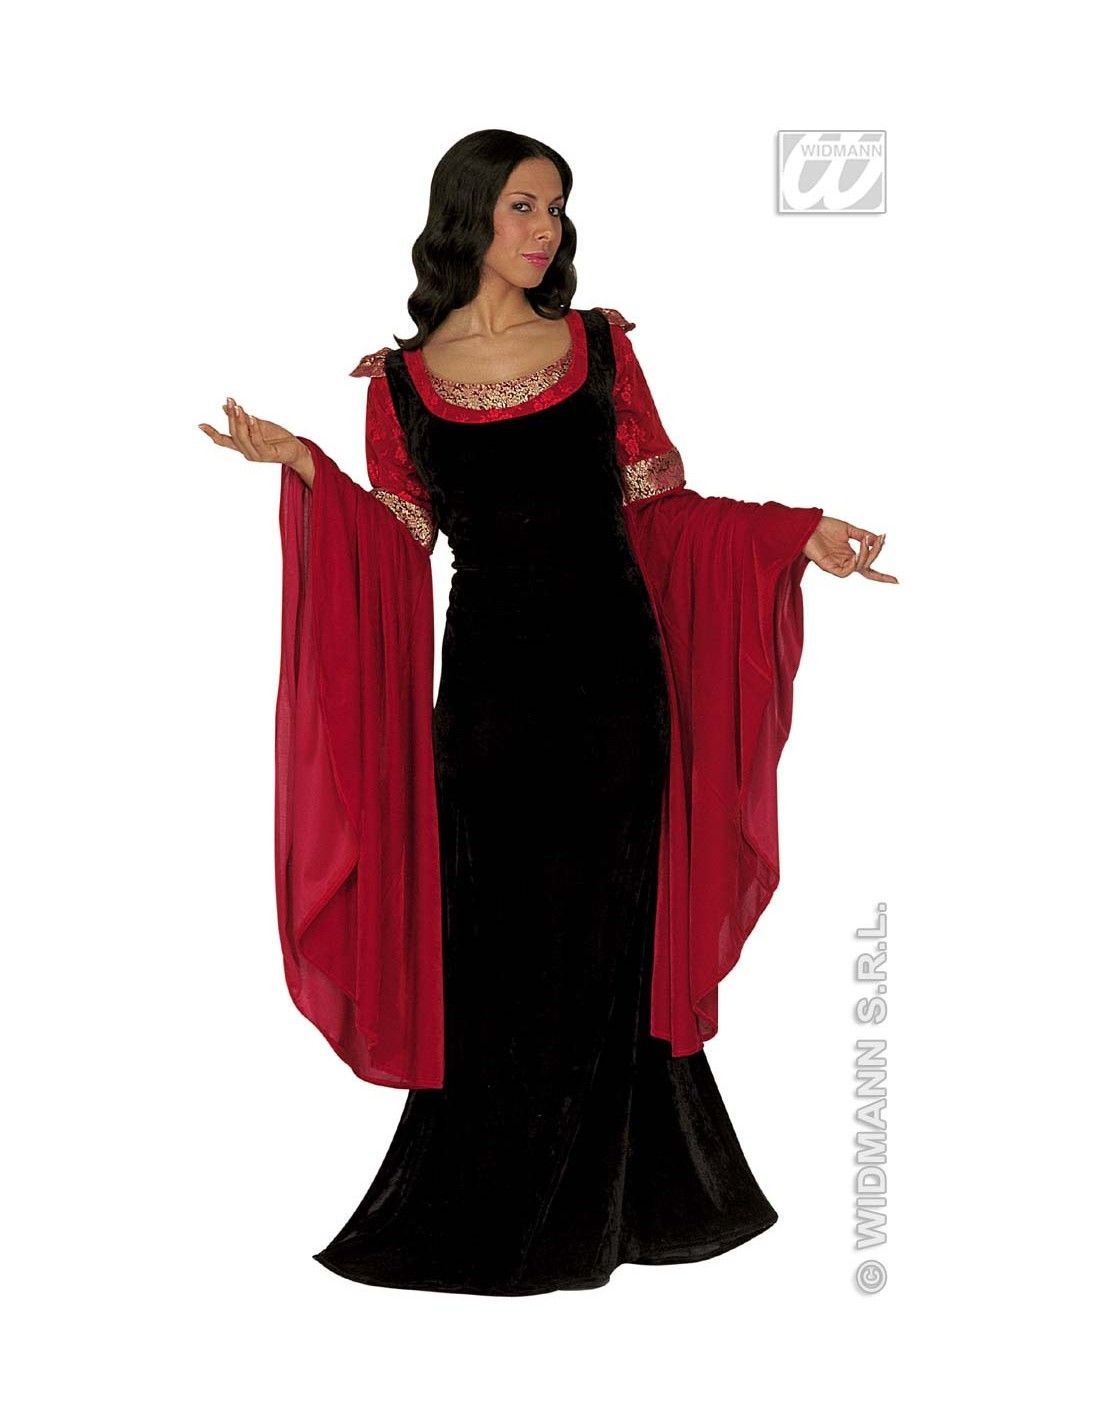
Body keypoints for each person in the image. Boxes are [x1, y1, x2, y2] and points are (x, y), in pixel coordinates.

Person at [199, 129, 898, 1297]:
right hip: (488, 703)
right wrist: (308, 468)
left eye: (557, 209)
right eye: (523, 206)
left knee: (607, 929)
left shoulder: (599, 348)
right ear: (466, 214)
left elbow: (662, 513)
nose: (545, 230)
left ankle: (617, 1203)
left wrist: (795, 533)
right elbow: (398, 543)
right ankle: (489, 1205)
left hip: (616, 689)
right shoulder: (401, 384)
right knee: (493, 943)